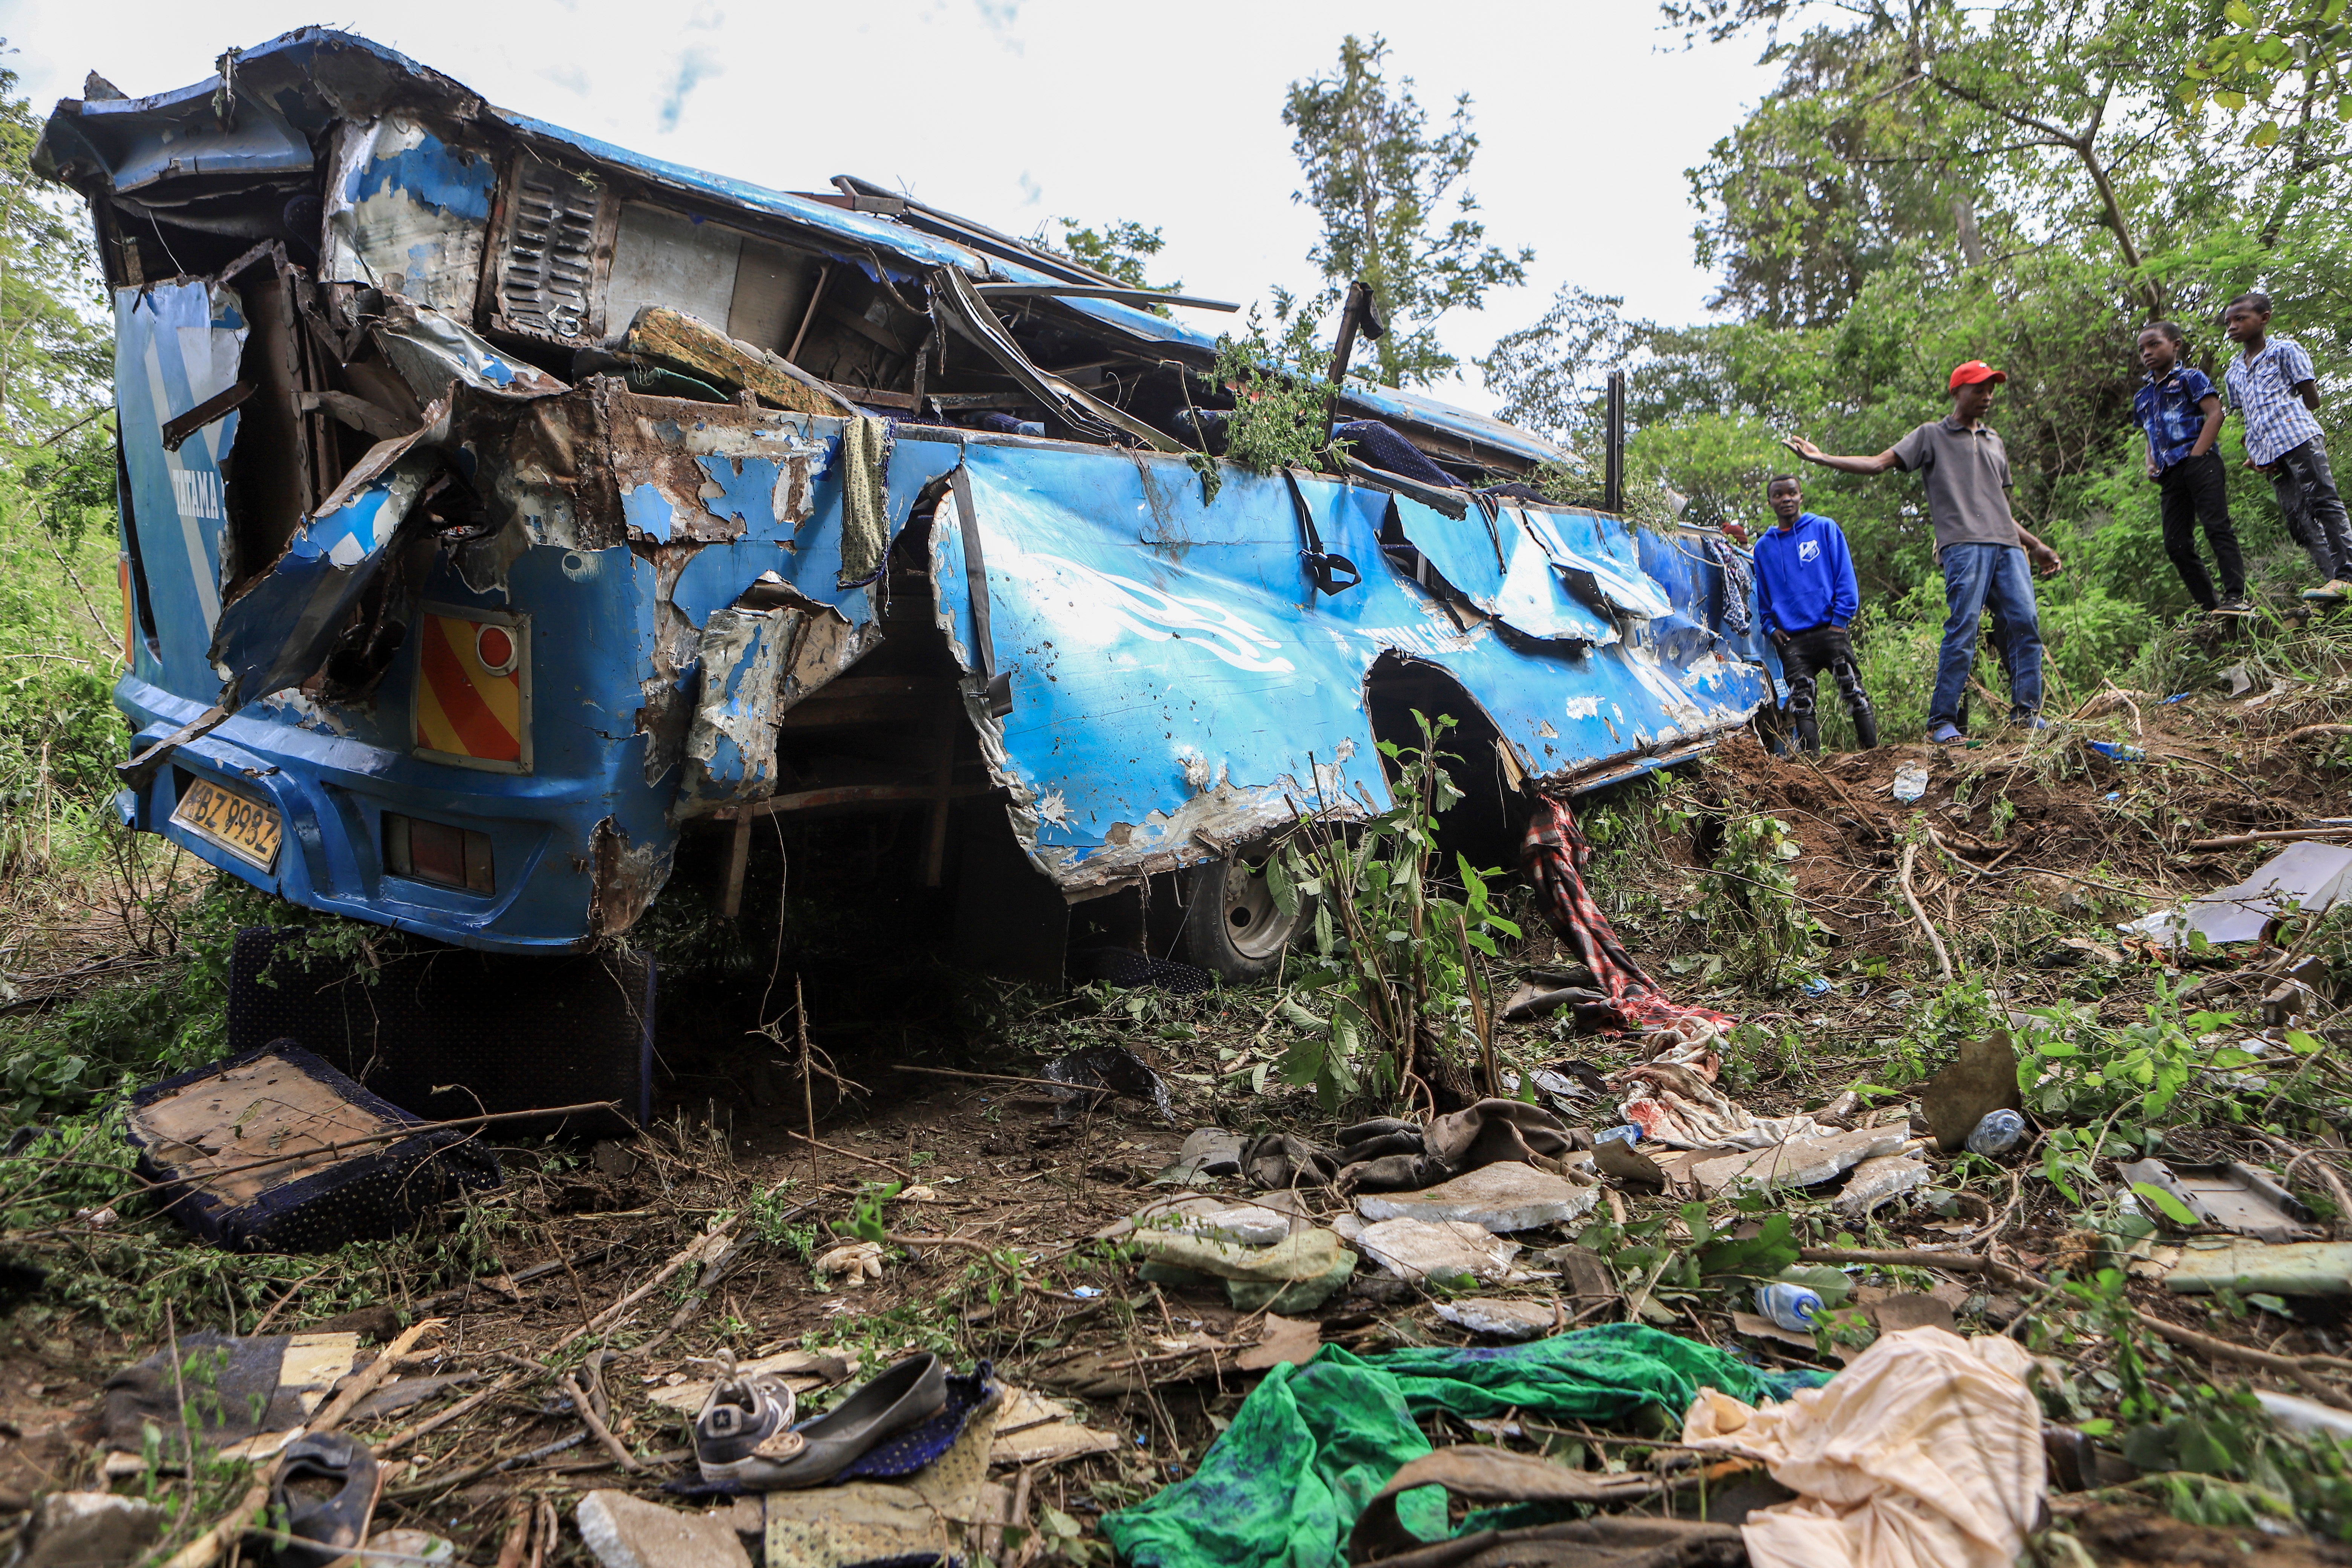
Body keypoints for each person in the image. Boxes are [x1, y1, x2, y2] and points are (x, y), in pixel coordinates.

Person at [1784, 360, 2064, 746]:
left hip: (2008, 546)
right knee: (1964, 626)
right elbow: (1878, 464)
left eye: (1991, 389)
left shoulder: (1994, 440)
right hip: (1964, 545)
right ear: (1957, 392)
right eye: (1979, 388)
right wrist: (1821, 458)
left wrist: (2036, 545)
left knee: (2025, 623)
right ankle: (1942, 720)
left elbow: (1999, 505)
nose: (1987, 396)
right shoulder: (1931, 436)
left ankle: (2027, 714)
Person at [2222, 291, 2351, 605]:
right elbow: (2248, 415)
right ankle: (2332, 585)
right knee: (2298, 520)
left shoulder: (2284, 350)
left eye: (2241, 319)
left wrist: (2284, 417)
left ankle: (2348, 577)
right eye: (2228, 322)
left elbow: (2312, 399)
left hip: (2298, 438)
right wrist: (2255, 452)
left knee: (2323, 502)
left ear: (2264, 318)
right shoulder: (2233, 371)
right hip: (2268, 454)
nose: (2233, 327)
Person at [1752, 475, 1877, 752]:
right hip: (1793, 641)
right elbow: (1764, 596)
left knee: (1854, 692)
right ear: (1770, 501)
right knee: (1802, 704)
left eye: (1792, 493)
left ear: (1801, 497)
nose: (1786, 499)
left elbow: (1845, 577)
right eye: (1779, 495)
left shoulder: (1824, 528)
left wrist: (1840, 621)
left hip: (1830, 631)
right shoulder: (1764, 547)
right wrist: (1771, 629)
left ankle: (1874, 755)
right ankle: (1813, 764)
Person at [2135, 321, 2248, 615]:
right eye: (2142, 349)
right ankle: (2211, 607)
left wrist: (2197, 456)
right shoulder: (2143, 396)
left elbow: (2215, 414)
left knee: (2217, 528)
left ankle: (2236, 598)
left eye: (2155, 344)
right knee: (2176, 544)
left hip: (2201, 463)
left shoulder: (2191, 378)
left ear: (2175, 345)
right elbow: (2150, 434)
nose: (2148, 353)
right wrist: (2150, 463)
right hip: (2169, 474)